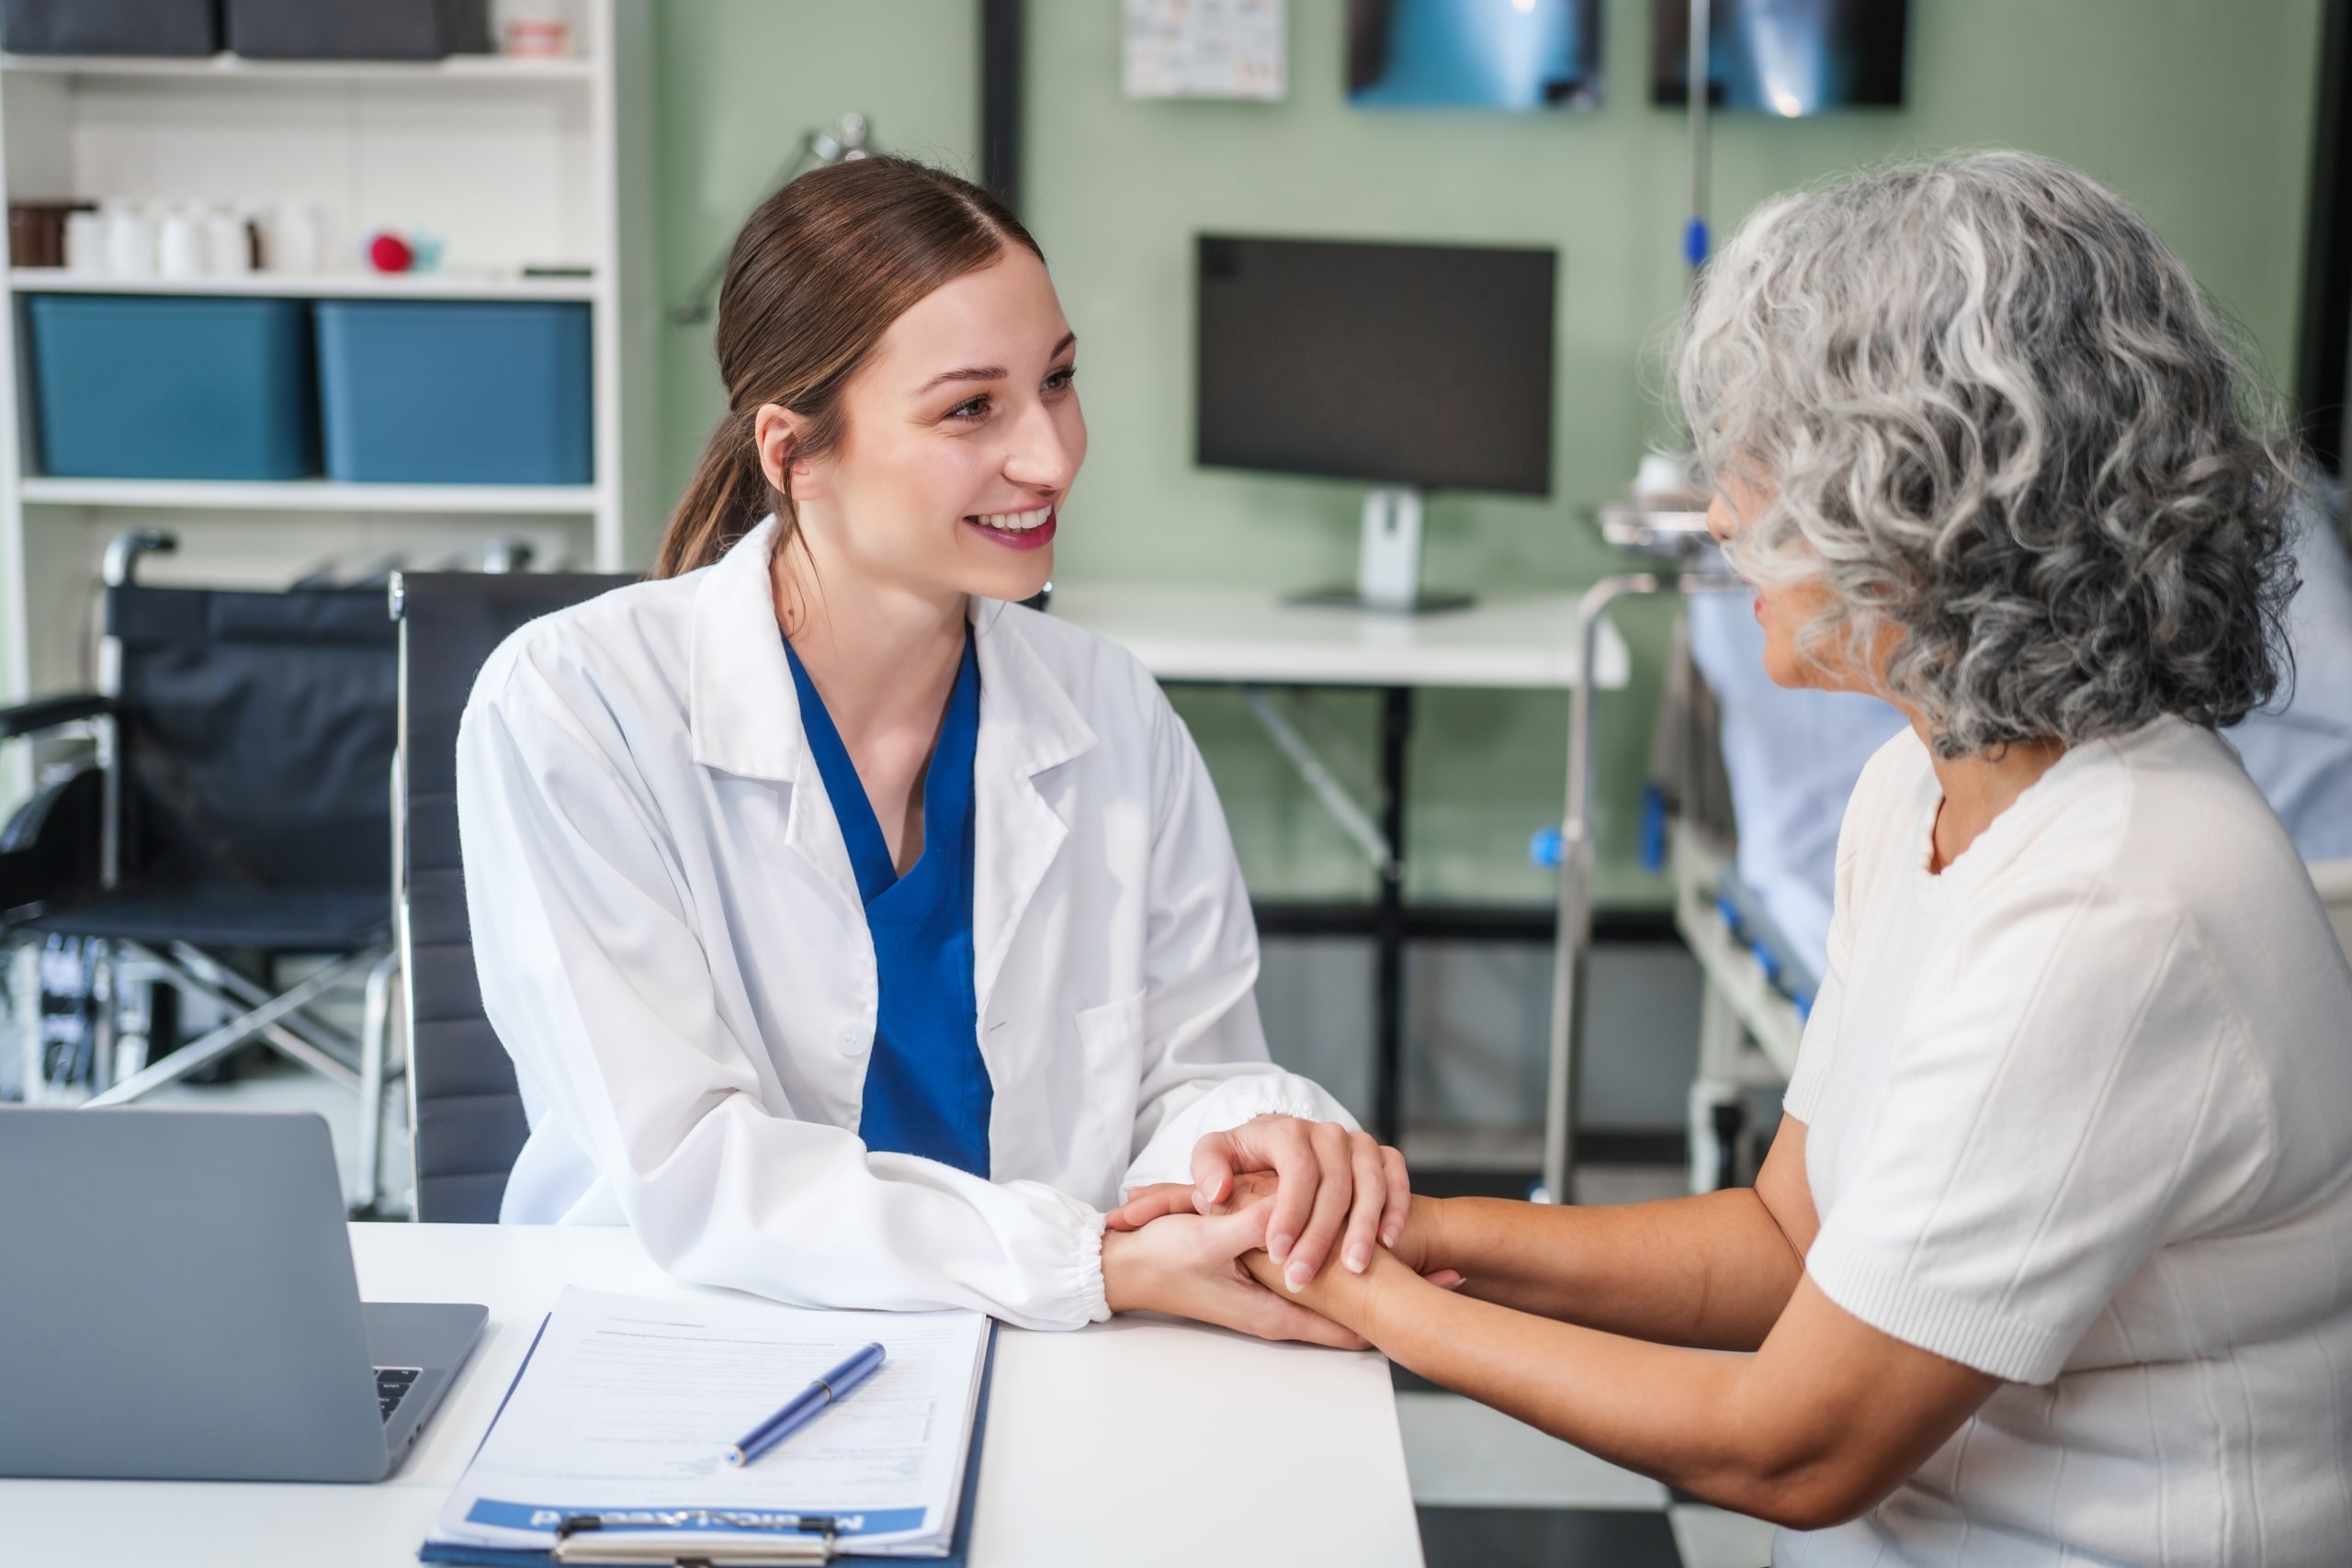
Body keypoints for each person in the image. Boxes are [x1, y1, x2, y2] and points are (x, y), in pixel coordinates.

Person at [1149, 152, 2352, 1562]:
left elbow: (1795, 1446)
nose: (1722, 516)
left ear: (1934, 504)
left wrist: (1346, 1285)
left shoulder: (2119, 901)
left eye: (1767, 462)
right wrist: (1408, 1225)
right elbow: (1787, 1244)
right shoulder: (1919, 787)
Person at [455, 156, 1407, 1341]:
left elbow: (1190, 1075)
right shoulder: (578, 707)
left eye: (1057, 382)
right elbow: (693, 1167)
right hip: (693, 1340)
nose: (1051, 457)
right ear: (792, 452)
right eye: (970, 409)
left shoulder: (1109, 709)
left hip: (1057, 1344)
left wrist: (1265, 1142)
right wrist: (1084, 1262)